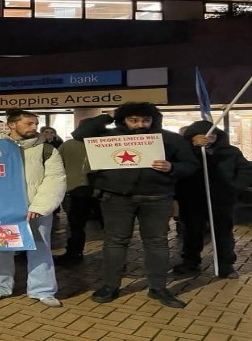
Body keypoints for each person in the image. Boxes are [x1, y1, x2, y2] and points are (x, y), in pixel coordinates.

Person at [72, 103, 198, 308]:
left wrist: (172, 167)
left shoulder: (170, 138)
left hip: (156, 198)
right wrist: (108, 116)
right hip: (116, 197)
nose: (141, 124)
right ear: (124, 120)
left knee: (157, 243)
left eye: (146, 120)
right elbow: (80, 134)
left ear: (153, 120)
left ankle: (158, 288)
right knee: (115, 241)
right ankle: (110, 286)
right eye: (134, 120)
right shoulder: (110, 136)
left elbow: (191, 165)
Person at [0, 109, 66, 307]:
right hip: (5, 209)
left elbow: (55, 179)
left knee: (41, 248)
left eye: (35, 124)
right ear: (12, 125)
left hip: (35, 209)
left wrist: (40, 206)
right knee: (2, 248)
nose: (34, 127)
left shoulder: (47, 150)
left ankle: (42, 289)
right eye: (29, 123)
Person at [174, 120, 252, 279]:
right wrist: (193, 148)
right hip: (193, 199)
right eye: (203, 136)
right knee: (192, 232)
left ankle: (226, 265)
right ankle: (190, 262)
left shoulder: (231, 152)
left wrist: (234, 187)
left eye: (212, 136)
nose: (208, 139)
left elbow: (245, 170)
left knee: (223, 233)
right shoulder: (185, 152)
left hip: (221, 200)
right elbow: (179, 171)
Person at [53, 120, 102, 266]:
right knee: (108, 227)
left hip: (72, 190)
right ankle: (115, 259)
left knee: (75, 225)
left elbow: (57, 163)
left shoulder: (68, 145)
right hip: (99, 190)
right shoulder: (104, 144)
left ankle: (74, 253)